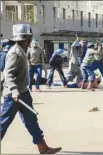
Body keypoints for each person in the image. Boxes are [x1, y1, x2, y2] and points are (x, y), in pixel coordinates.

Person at [1, 24, 61, 154]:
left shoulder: (22, 50)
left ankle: (43, 147)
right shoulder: (14, 53)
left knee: (31, 120)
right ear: (26, 38)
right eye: (30, 37)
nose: (31, 40)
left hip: (23, 93)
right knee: (3, 123)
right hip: (13, 95)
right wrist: (14, 91)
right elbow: (8, 74)